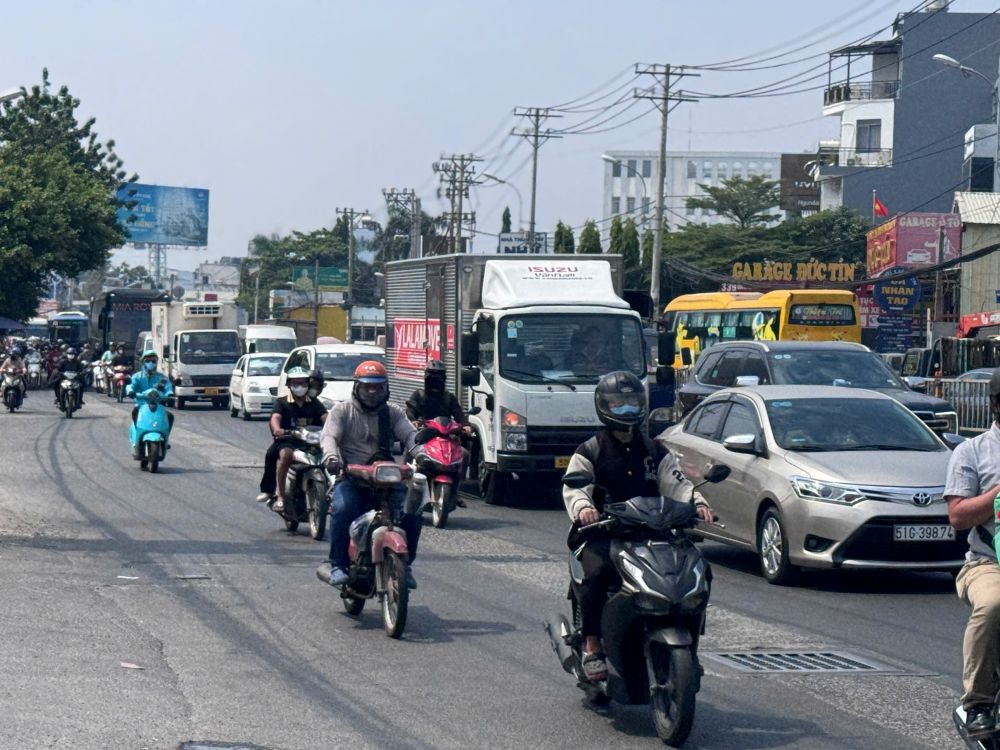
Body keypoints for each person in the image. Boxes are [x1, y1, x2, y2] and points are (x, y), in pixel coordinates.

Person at [562, 370, 714, 682]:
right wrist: (584, 508)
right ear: (604, 406)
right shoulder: (590, 450)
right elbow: (575, 488)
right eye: (618, 405)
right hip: (605, 533)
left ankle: (691, 646)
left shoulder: (655, 450)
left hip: (654, 532)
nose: (626, 411)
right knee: (596, 574)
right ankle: (592, 645)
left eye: (631, 403)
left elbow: (677, 483)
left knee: (700, 572)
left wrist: (696, 502)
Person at [319, 360, 419, 589]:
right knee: (343, 510)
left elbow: (410, 437)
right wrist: (332, 458)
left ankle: (406, 565)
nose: (372, 392)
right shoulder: (342, 411)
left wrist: (422, 454)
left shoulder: (393, 413)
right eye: (367, 387)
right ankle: (338, 564)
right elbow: (329, 438)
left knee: (412, 512)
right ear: (357, 387)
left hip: (388, 479)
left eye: (377, 387)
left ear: (386, 388)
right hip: (352, 479)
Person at [946, 368, 1000, 739]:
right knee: (995, 604)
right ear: (997, 405)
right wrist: (997, 494)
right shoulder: (973, 452)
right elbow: (958, 516)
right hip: (986, 563)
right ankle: (978, 702)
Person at [256, 368, 327, 513]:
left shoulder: (315, 403)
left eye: (302, 383)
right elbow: (275, 418)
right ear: (289, 385)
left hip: (311, 441)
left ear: (308, 384)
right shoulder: (282, 402)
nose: (299, 387)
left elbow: (327, 418)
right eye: (295, 383)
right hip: (288, 440)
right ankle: (280, 496)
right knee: (285, 456)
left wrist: (335, 428)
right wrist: (277, 429)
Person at [405, 359, 466, 426]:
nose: (435, 383)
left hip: (445, 433)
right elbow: (410, 411)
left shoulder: (449, 397)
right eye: (432, 380)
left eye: (439, 380)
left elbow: (459, 414)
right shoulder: (419, 395)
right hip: (424, 433)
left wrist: (466, 425)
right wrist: (413, 421)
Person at [128, 350, 174, 430]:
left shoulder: (162, 378)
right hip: (141, 405)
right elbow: (131, 385)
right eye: (148, 361)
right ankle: (137, 434)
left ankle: (165, 440)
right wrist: (130, 392)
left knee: (170, 417)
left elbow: (168, 388)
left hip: (159, 406)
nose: (151, 363)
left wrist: (170, 394)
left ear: (156, 363)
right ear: (143, 362)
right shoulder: (137, 377)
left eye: (153, 361)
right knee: (135, 412)